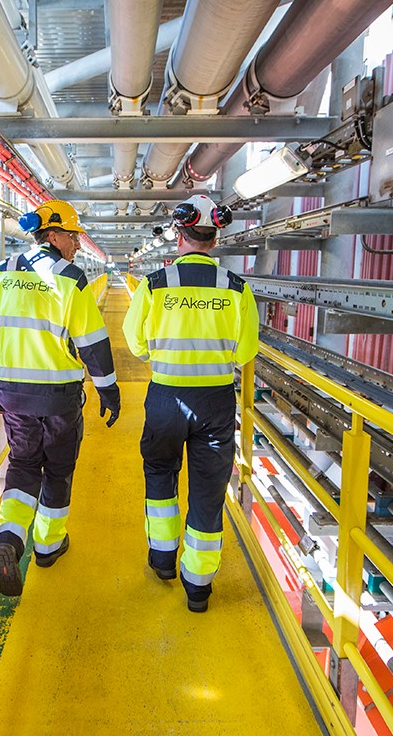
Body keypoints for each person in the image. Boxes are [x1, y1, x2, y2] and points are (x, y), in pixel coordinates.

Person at [0, 199, 120, 597]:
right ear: (53, 235)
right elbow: (92, 342)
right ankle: (49, 546)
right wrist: (108, 390)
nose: (76, 244)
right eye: (73, 236)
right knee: (57, 470)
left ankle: (11, 538)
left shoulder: (1, 272)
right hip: (57, 397)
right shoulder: (69, 277)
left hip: (13, 395)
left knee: (22, 466)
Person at [121, 194, 259, 612]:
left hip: (165, 395)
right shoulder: (237, 288)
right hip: (216, 401)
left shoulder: (154, 284)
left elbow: (135, 341)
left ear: (178, 236)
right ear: (214, 240)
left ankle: (163, 560)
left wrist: (159, 356)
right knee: (208, 489)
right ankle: (198, 585)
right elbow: (246, 350)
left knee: (161, 475)